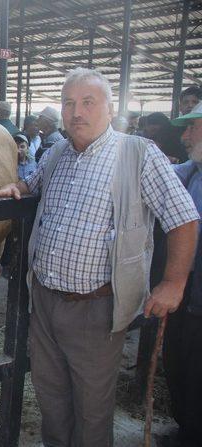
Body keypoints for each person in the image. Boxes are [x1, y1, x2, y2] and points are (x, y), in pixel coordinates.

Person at [0, 68, 199, 447]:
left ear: (109, 107)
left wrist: (173, 282)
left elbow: (183, 219)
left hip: (97, 309)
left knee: (92, 407)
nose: (76, 112)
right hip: (45, 301)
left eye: (88, 102)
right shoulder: (56, 154)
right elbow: (30, 184)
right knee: (50, 396)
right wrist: (14, 186)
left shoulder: (137, 154)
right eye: (69, 103)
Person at [163, 103, 202, 447]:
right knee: (180, 364)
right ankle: (186, 432)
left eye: (193, 127)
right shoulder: (193, 172)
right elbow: (161, 175)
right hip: (187, 296)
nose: (184, 135)